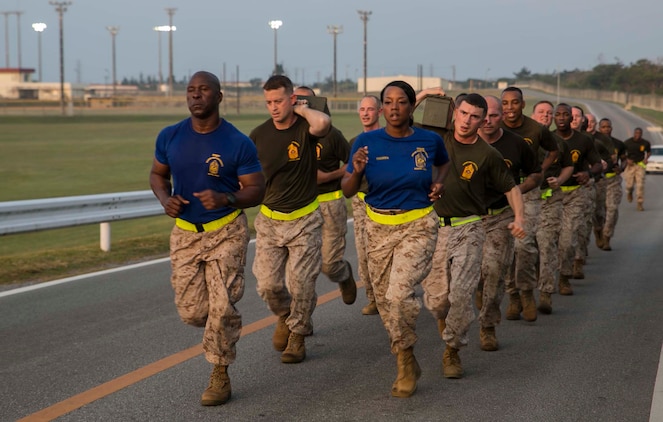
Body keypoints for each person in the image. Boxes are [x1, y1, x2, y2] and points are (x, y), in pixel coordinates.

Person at [149, 71, 265, 406]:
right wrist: (164, 198)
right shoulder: (170, 136)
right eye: (191, 91)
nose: (196, 96)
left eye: (203, 91)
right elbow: (158, 173)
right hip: (185, 234)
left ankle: (219, 373)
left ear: (218, 96)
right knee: (193, 312)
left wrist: (227, 198)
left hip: (226, 229)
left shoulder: (236, 142)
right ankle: (217, 330)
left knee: (222, 306)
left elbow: (256, 189)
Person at [342, 80, 449, 398]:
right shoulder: (366, 141)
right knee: (387, 303)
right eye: (387, 102)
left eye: (400, 101)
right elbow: (348, 189)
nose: (393, 107)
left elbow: (444, 164)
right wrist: (358, 170)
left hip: (418, 224)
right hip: (377, 227)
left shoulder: (429, 140)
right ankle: (407, 357)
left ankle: (403, 361)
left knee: (400, 295)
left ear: (412, 105)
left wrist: (439, 183)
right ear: (382, 107)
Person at [422, 93, 525, 379]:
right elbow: (402, 120)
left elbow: (511, 187)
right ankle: (447, 322)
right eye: (464, 113)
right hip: (434, 227)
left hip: (469, 227)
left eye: (475, 116)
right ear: (454, 112)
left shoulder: (487, 154)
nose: (467, 121)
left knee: (460, 295)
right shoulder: (437, 138)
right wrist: (422, 95)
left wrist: (519, 217)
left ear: (482, 121)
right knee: (437, 300)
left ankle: (452, 350)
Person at [249, 75, 331, 364]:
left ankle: (297, 335)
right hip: (270, 220)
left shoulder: (305, 129)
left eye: (279, 101)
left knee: (301, 284)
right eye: (269, 102)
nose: (273, 107)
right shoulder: (258, 135)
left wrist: (301, 110)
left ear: (291, 100)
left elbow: (323, 124)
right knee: (267, 285)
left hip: (305, 219)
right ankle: (285, 315)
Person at [476, 95, 541, 350]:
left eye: (494, 115)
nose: (488, 121)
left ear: (502, 115)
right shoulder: (459, 142)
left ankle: (488, 325)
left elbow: (536, 173)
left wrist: (518, 189)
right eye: (484, 116)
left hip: (500, 215)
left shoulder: (516, 144)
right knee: (470, 275)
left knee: (494, 270)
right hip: (466, 218)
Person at [293, 86, 357, 307]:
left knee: (329, 264)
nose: (301, 106)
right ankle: (300, 323)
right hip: (300, 205)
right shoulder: (288, 136)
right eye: (296, 101)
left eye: (306, 101)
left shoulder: (331, 134)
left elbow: (352, 164)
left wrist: (330, 175)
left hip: (330, 203)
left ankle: (343, 274)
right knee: (301, 270)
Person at [500, 87, 558, 321]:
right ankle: (512, 296)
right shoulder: (495, 128)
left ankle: (526, 292)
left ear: (523, 105)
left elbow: (553, 151)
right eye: (505, 103)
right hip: (501, 192)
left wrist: (540, 171)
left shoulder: (536, 129)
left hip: (528, 190)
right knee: (506, 249)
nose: (509, 108)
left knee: (524, 244)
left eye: (514, 103)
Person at [552, 103, 602, 296]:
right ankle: (545, 278)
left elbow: (598, 164)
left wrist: (587, 173)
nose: (563, 118)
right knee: (547, 241)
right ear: (554, 118)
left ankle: (564, 277)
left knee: (568, 238)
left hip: (575, 194)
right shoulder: (547, 139)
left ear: (572, 119)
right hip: (550, 196)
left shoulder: (584, 140)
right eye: (559, 115)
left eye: (567, 115)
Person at [349, 94, 383, 315]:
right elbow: (348, 175)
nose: (365, 113)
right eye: (362, 109)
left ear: (379, 112)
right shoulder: (355, 142)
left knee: (383, 253)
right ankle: (373, 298)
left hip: (384, 202)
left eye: (370, 109)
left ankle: (387, 294)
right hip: (361, 203)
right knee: (363, 254)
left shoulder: (388, 139)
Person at [596, 118, 626, 250]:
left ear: (611, 128)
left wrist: (622, 168)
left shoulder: (618, 144)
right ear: (599, 129)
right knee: (598, 212)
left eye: (608, 127)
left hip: (613, 180)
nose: (606, 129)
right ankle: (598, 232)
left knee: (612, 209)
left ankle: (607, 237)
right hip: (599, 181)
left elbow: (624, 160)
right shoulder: (594, 143)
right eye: (603, 127)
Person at [623, 127, 652, 211]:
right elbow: (623, 153)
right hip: (630, 165)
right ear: (634, 133)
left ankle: (639, 203)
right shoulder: (627, 142)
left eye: (639, 133)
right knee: (629, 185)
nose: (638, 135)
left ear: (641, 134)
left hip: (640, 165)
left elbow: (649, 152)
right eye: (636, 133)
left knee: (640, 185)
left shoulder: (645, 143)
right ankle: (629, 192)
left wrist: (646, 159)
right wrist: (627, 160)